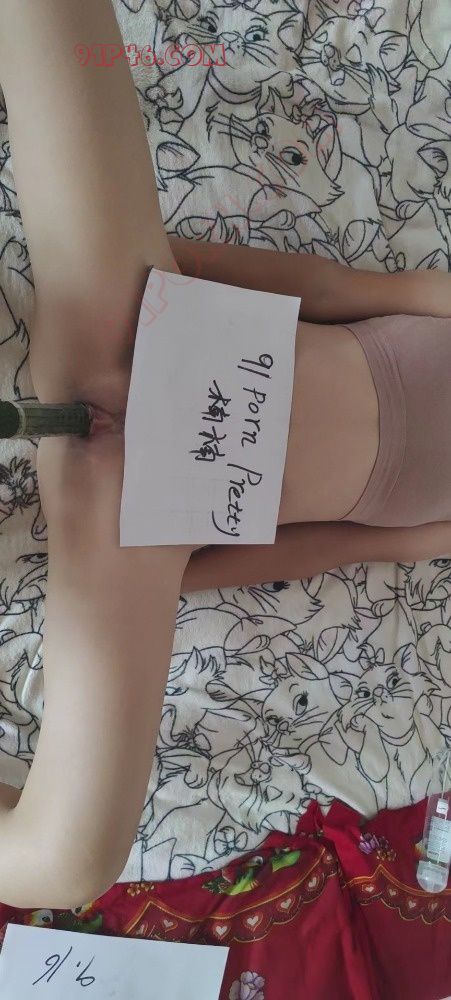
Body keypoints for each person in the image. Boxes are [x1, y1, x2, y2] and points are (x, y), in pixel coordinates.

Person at [0, 0, 450, 912]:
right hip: (136, 335)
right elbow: (328, 290)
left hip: (143, 515)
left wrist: (177, 571)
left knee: (65, 865)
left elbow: (318, 547)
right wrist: (179, 274)